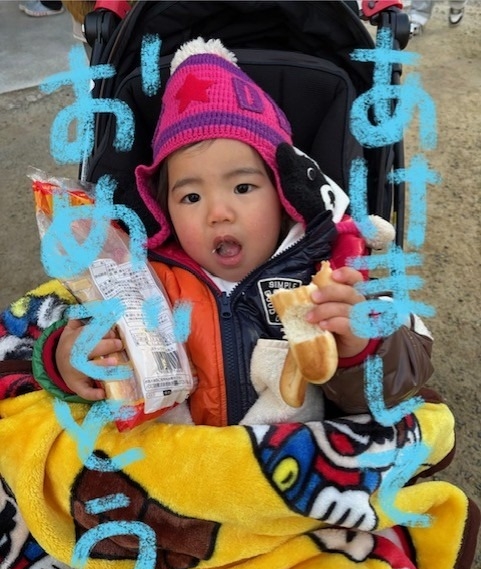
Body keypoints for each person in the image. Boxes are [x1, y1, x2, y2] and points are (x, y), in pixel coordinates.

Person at [32, 37, 434, 428]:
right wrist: (66, 361)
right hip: (180, 458)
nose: (218, 213)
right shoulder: (146, 281)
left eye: (243, 188)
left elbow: (397, 387)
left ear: (284, 195)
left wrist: (360, 350)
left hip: (288, 460)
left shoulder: (328, 274)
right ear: (163, 210)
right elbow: (86, 344)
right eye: (191, 197)